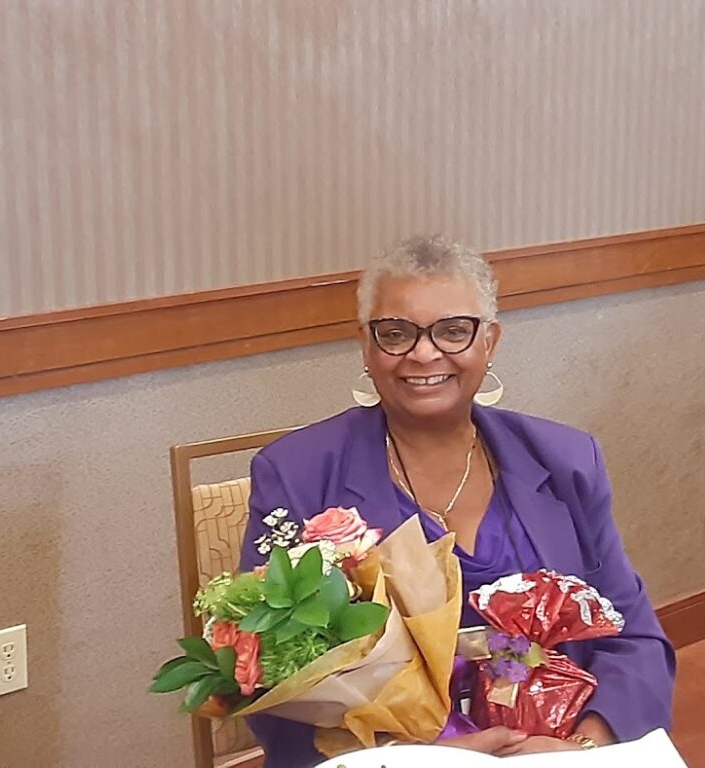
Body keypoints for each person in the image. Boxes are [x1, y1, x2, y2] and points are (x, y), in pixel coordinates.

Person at [239, 234, 676, 766]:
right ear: (366, 345)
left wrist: (580, 747)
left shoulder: (566, 461)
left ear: (489, 342)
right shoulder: (297, 474)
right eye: (396, 333)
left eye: (453, 331)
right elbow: (270, 677)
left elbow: (635, 639)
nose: (424, 353)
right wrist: (425, 757)